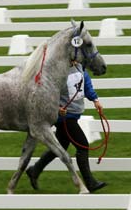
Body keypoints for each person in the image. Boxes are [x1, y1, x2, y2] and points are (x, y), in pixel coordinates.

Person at [26, 61, 107, 193]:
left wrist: (95, 100)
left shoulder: (79, 66)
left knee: (60, 147)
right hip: (65, 118)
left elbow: (85, 82)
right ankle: (90, 182)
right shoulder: (58, 70)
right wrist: (57, 108)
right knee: (83, 145)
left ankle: (34, 170)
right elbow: (46, 94)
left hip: (74, 115)